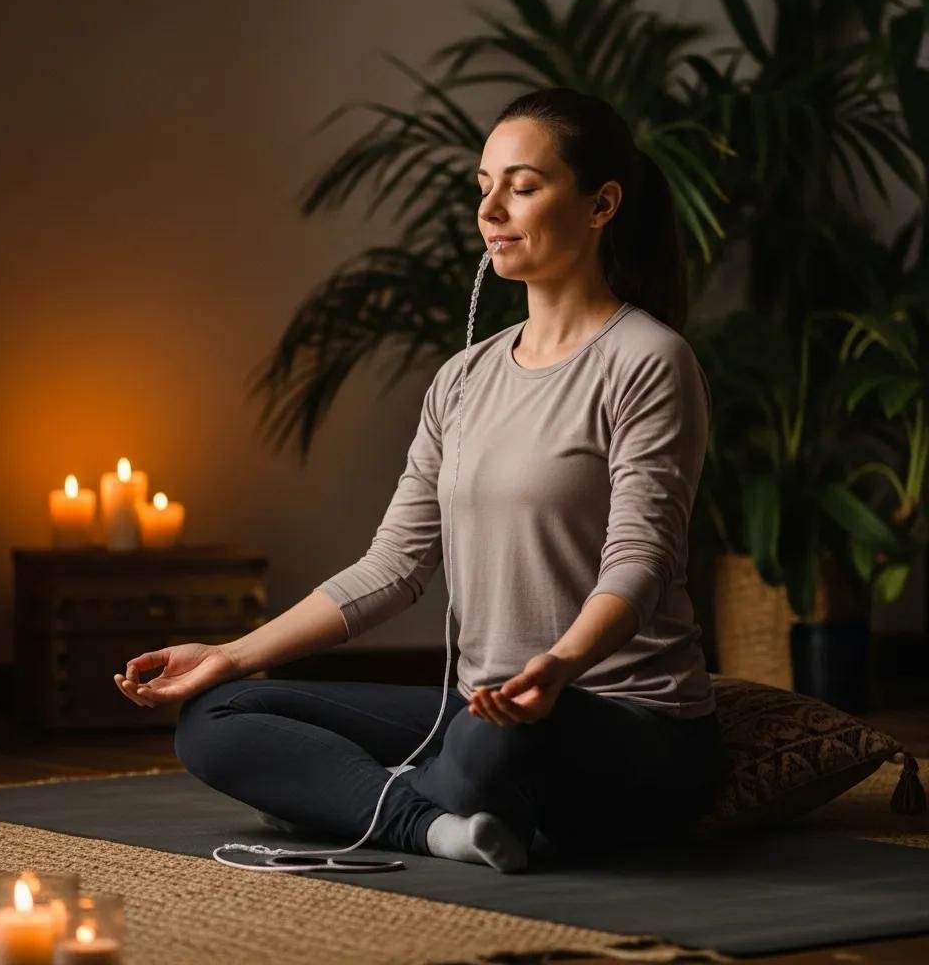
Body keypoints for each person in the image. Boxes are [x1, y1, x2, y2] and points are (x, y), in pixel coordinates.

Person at [113, 87, 727, 874]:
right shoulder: (463, 377)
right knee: (215, 716)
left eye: (523, 186)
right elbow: (395, 567)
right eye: (484, 186)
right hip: (478, 709)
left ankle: (369, 798)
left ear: (601, 203)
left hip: (626, 724)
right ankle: (437, 826)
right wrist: (231, 654)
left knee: (489, 744)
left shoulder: (648, 361)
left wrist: (563, 664)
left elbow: (640, 563)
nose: (491, 209)